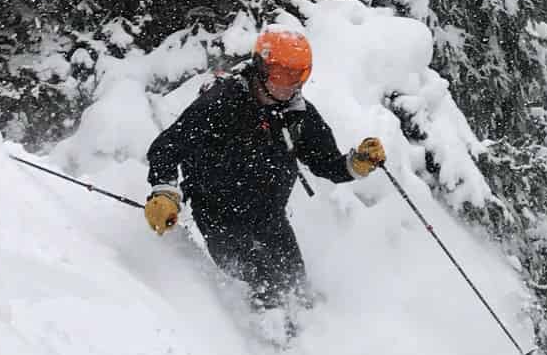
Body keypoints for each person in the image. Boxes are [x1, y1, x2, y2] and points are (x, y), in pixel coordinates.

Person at [143, 27, 385, 317]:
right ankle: (265, 350)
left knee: (297, 288)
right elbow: (168, 147)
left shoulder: (298, 114)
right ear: (261, 68)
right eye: (282, 75)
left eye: (297, 76)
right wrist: (165, 191)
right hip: (218, 216)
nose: (289, 86)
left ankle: (314, 338)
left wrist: (355, 165)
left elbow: (326, 163)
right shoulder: (222, 102)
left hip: (270, 217)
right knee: (264, 286)